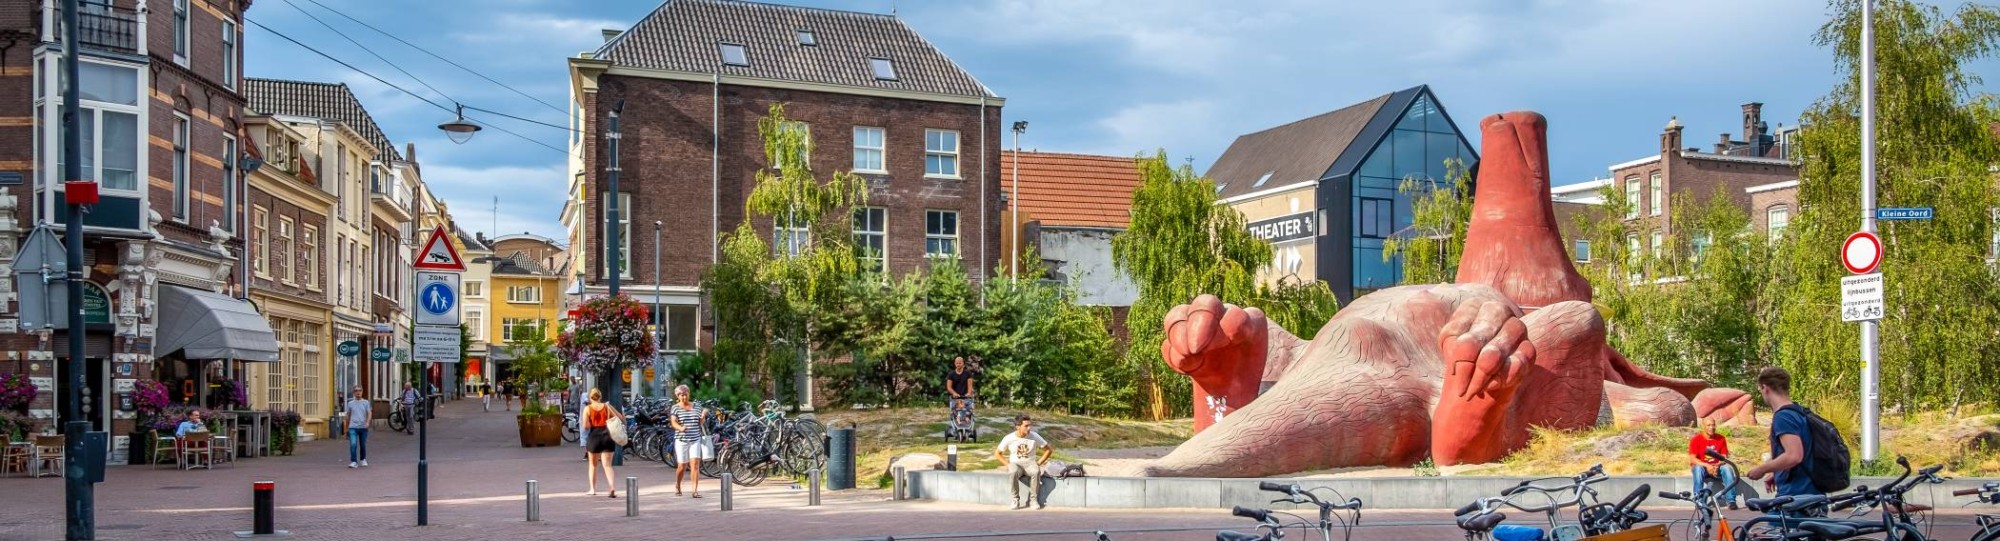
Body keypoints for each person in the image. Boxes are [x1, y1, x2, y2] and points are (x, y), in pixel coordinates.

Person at [1744, 366, 1824, 500]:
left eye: (1761, 390)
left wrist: (1762, 469)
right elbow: (1804, 452)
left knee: (1770, 520)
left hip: (1796, 498)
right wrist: (1777, 473)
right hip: (1811, 493)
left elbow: (1794, 455)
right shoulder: (1800, 411)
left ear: (1765, 388)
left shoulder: (1783, 417)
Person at [993, 414, 1054, 510]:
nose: (1029, 428)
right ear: (1018, 426)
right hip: (1016, 464)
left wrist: (1038, 463)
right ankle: (1015, 499)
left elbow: (1048, 450)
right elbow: (997, 453)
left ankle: (1033, 500)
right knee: (1012, 471)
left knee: (1036, 471)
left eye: (1030, 425)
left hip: (1030, 463)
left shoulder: (1034, 436)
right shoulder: (1009, 438)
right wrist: (1008, 464)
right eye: (1026, 426)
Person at [668, 385, 712, 498]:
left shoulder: (696, 406)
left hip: (695, 439)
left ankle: (694, 491)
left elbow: (701, 419)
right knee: (682, 465)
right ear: (678, 396)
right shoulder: (675, 408)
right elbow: (673, 422)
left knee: (695, 465)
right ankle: (678, 485)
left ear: (689, 394)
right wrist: (680, 427)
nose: (684, 397)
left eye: (686, 394)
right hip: (681, 439)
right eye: (681, 395)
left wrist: (704, 414)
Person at [582, 388, 625, 497]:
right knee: (607, 465)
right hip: (607, 437)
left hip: (594, 437)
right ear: (600, 397)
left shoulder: (587, 409)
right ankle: (611, 487)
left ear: (590, 398)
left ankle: (592, 489)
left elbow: (585, 426)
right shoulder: (607, 407)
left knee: (593, 465)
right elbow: (620, 417)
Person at [1689, 418, 1738, 509]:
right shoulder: (1696, 439)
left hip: (1717, 468)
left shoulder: (1721, 438)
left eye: (1713, 425)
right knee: (1698, 468)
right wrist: (1707, 466)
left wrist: (1716, 466)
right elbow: (1693, 459)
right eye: (1708, 425)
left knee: (1727, 468)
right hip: (1703, 468)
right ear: (1703, 426)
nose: (1711, 427)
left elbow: (1724, 457)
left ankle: (1731, 501)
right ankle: (1699, 501)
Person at [346, 387, 371, 468]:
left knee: (362, 444)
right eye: (356, 391)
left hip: (363, 427)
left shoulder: (366, 402)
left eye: (360, 390)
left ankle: (363, 459)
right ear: (353, 393)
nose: (358, 392)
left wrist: (367, 422)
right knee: (353, 444)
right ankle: (353, 461)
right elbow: (348, 415)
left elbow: (369, 413)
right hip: (353, 427)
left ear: (362, 392)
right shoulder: (350, 403)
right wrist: (347, 427)